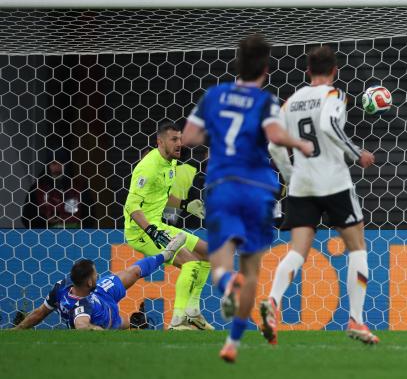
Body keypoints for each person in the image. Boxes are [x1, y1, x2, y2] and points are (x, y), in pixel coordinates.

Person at [181, 34, 313, 363]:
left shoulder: (214, 95)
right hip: (257, 189)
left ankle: (227, 282)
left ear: (235, 65)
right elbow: (275, 137)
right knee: (252, 269)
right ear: (265, 70)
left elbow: (189, 138)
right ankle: (233, 343)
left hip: (222, 186)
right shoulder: (266, 102)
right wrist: (298, 145)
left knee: (221, 263)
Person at [264, 45, 379, 346]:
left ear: (307, 71)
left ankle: (272, 302)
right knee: (357, 247)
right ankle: (356, 319)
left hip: (302, 184)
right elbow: (328, 126)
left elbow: (274, 146)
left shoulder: (290, 103)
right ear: (335, 71)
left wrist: (292, 177)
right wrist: (358, 154)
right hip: (333, 182)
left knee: (297, 251)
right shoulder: (334, 95)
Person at [123, 122, 212, 330]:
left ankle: (192, 312)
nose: (179, 143)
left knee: (208, 253)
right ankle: (177, 320)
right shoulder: (148, 167)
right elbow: (131, 205)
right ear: (160, 142)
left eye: (180, 139)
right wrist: (151, 231)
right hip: (141, 231)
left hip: (158, 225)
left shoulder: (170, 162)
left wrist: (184, 204)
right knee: (190, 263)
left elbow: (162, 194)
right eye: (174, 139)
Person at [13, 233, 186, 330]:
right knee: (123, 323)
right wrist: (96, 329)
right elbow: (82, 325)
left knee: (132, 272)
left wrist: (17, 330)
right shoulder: (83, 307)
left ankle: (166, 253)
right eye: (95, 275)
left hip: (100, 293)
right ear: (88, 282)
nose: (98, 275)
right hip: (105, 315)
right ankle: (138, 324)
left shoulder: (62, 286)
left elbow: (40, 312)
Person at [22, 155, 93, 229]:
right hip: (46, 236)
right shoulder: (37, 189)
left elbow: (90, 217)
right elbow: (27, 218)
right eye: (54, 164)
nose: (57, 167)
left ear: (66, 165)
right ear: (48, 166)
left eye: (61, 163)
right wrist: (46, 221)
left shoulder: (80, 187)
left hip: (75, 236)